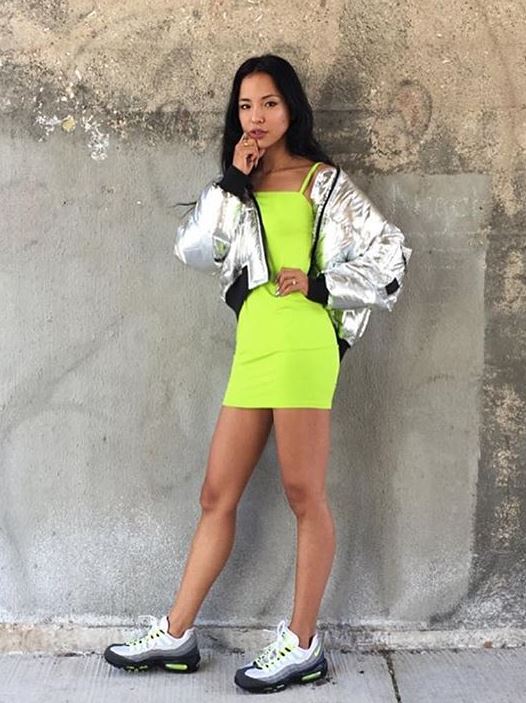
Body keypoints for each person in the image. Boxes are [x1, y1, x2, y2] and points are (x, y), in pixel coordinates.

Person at [103, 53, 412, 694]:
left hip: (303, 346)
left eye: (269, 103)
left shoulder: (323, 182)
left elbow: (392, 256)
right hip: (254, 348)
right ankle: (177, 633)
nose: (257, 117)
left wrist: (322, 284)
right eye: (246, 105)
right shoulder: (235, 186)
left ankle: (302, 643)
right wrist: (231, 182)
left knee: (304, 495)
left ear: (291, 108)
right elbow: (194, 250)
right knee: (216, 494)